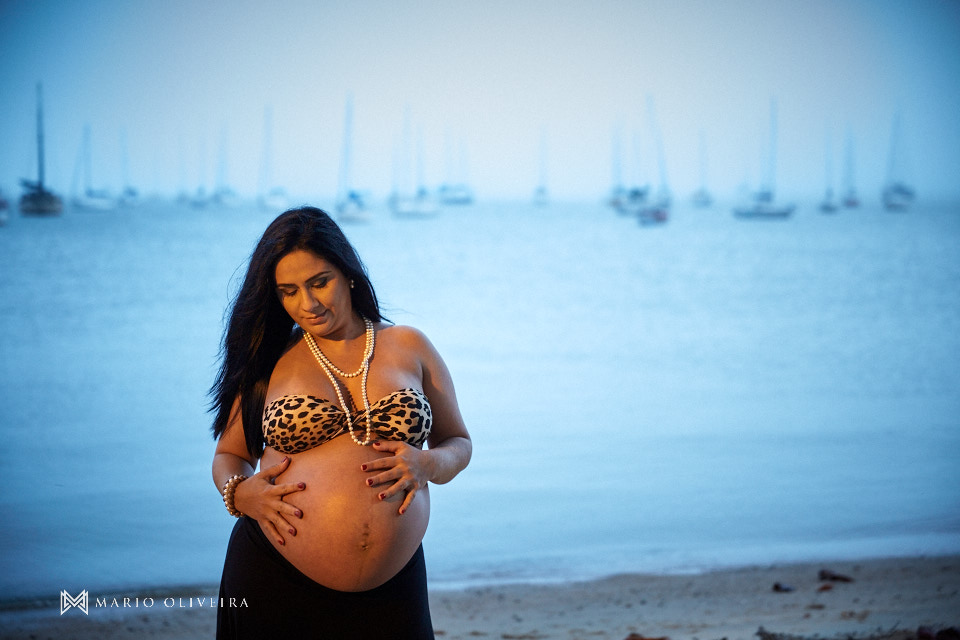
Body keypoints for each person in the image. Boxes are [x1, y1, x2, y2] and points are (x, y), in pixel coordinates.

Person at [209, 206, 472, 639]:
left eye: (319, 282)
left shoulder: (409, 345)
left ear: (348, 273)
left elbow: (458, 442)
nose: (308, 303)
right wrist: (240, 494)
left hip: (394, 589)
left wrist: (428, 465)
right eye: (288, 291)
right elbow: (230, 455)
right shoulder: (269, 361)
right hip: (275, 579)